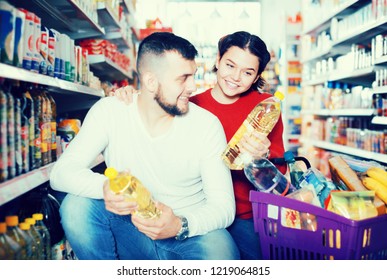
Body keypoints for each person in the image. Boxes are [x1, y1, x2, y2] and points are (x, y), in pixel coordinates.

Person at [49, 32, 239, 260]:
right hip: (132, 232)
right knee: (76, 207)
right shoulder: (110, 111)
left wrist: (180, 225)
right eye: (183, 78)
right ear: (151, 81)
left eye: (194, 76)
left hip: (188, 237)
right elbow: (60, 174)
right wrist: (105, 188)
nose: (192, 86)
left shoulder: (206, 125)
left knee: (221, 253)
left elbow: (224, 207)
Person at [112, 31, 286, 260]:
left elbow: (281, 178)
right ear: (217, 60)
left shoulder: (265, 108)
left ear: (256, 77)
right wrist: (129, 95)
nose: (235, 77)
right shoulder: (188, 103)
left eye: (247, 72)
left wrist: (262, 157)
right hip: (198, 210)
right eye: (230, 65)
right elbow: (153, 101)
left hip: (247, 215)